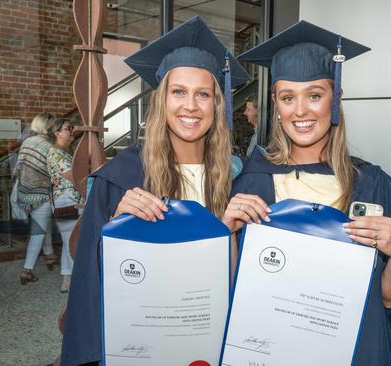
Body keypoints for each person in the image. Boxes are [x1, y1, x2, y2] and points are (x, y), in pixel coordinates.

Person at [60, 16, 249, 365]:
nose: (190, 106)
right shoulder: (121, 178)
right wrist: (116, 231)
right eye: (178, 92)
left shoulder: (234, 180)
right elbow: (90, 279)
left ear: (216, 106)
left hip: (211, 341)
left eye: (203, 94)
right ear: (161, 101)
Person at [224, 21, 391, 366]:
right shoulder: (252, 183)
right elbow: (234, 290)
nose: (300, 111)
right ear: (275, 105)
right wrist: (228, 235)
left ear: (335, 97)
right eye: (287, 98)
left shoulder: (372, 184)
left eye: (314, 95)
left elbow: (386, 301)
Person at [15, 112, 58, 284]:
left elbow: (18, 167)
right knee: (38, 232)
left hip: (24, 192)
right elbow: (55, 174)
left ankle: (49, 255)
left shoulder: (26, 142)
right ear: (49, 127)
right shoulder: (51, 147)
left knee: (42, 224)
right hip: (42, 195)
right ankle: (27, 270)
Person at [47, 118, 80, 293]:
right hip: (67, 201)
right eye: (68, 128)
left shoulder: (65, 151)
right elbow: (74, 177)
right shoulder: (57, 153)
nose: (72, 131)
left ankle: (67, 281)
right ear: (57, 133)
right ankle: (74, 281)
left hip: (69, 200)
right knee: (72, 241)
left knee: (69, 241)